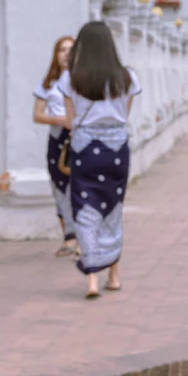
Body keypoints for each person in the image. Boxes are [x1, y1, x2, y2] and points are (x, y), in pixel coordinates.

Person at [59, 21, 141, 299]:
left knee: (85, 210)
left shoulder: (71, 79)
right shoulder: (127, 77)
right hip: (116, 150)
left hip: (85, 150)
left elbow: (71, 121)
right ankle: (114, 276)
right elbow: (125, 115)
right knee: (113, 210)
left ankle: (92, 278)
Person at [33, 36, 78, 257]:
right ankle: (68, 237)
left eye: (71, 50)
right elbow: (37, 115)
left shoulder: (83, 81)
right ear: (56, 54)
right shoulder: (48, 84)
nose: (66, 54)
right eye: (62, 49)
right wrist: (61, 120)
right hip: (57, 139)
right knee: (60, 186)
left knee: (79, 187)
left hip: (79, 137)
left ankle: (82, 238)